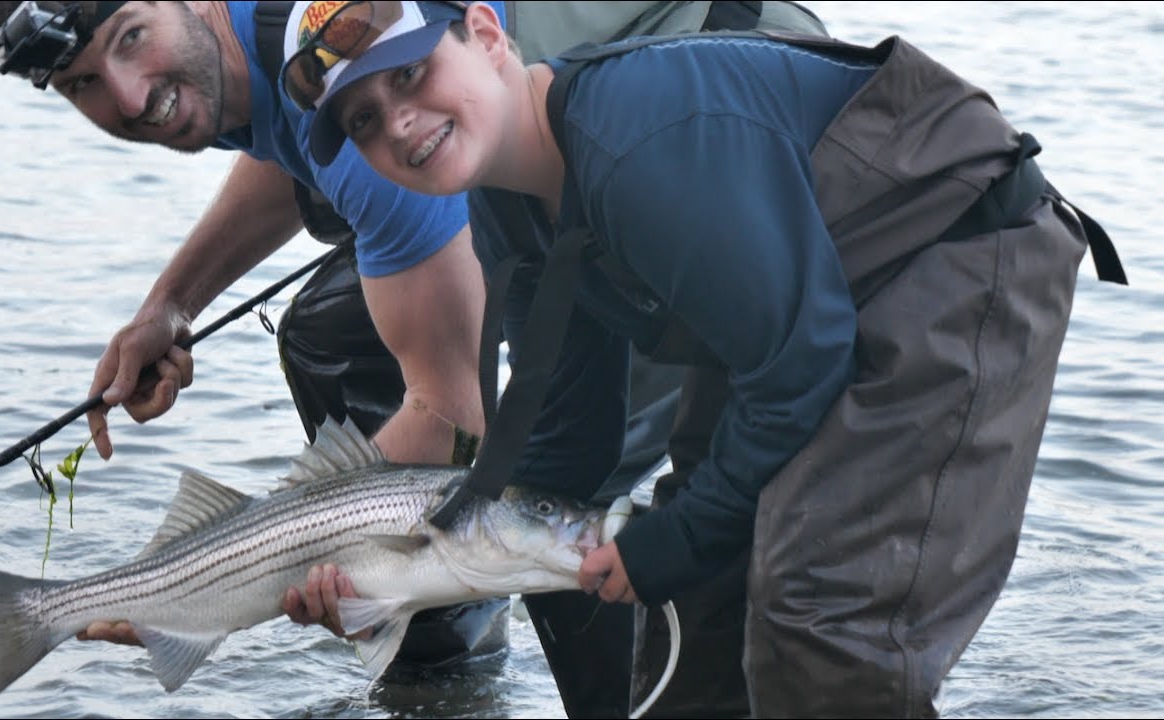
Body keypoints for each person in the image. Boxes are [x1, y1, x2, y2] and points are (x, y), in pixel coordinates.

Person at [0, 0, 835, 711]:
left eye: (130, 39)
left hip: (713, 139)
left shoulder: (382, 118)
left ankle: (626, 693)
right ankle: (447, 653)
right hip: (573, 175)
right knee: (329, 338)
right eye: (80, 83)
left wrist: (255, 567)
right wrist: (173, 303)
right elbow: (289, 149)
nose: (125, 96)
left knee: (587, 487)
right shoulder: (290, 68)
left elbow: (455, 416)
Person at [302, 0, 1127, 716]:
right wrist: (386, 570)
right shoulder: (506, 208)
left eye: (409, 75)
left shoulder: (635, 145)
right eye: (363, 121)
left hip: (954, 252)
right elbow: (570, 443)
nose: (398, 121)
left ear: (486, 34)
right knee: (701, 591)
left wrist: (676, 538)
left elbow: (801, 363)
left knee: (820, 608)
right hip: (801, 308)